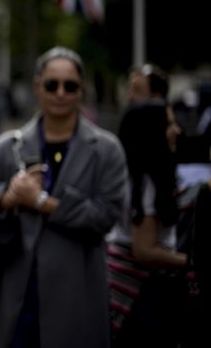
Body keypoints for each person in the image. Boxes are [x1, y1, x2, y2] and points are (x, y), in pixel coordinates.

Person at [0, 47, 127, 348]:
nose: (60, 93)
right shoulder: (7, 146)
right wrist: (9, 196)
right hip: (13, 294)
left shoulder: (106, 149)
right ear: (38, 86)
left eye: (70, 86)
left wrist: (41, 201)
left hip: (77, 297)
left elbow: (106, 216)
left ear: (82, 90)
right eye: (52, 84)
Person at [106, 103, 187, 347]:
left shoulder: (132, 176)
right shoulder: (147, 184)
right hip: (136, 294)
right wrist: (189, 262)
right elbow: (144, 251)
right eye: (169, 124)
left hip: (119, 289)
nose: (177, 130)